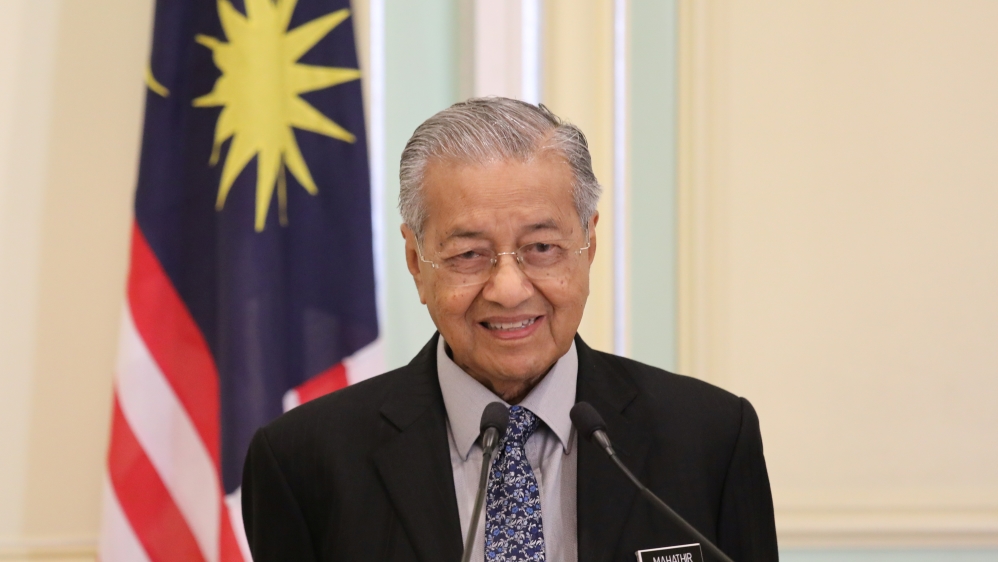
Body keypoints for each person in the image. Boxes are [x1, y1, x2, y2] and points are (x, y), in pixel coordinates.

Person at [241, 97, 778, 561]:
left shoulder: (709, 438)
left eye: (542, 247)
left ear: (588, 243)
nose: (508, 289)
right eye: (468, 254)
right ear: (415, 261)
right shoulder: (304, 461)